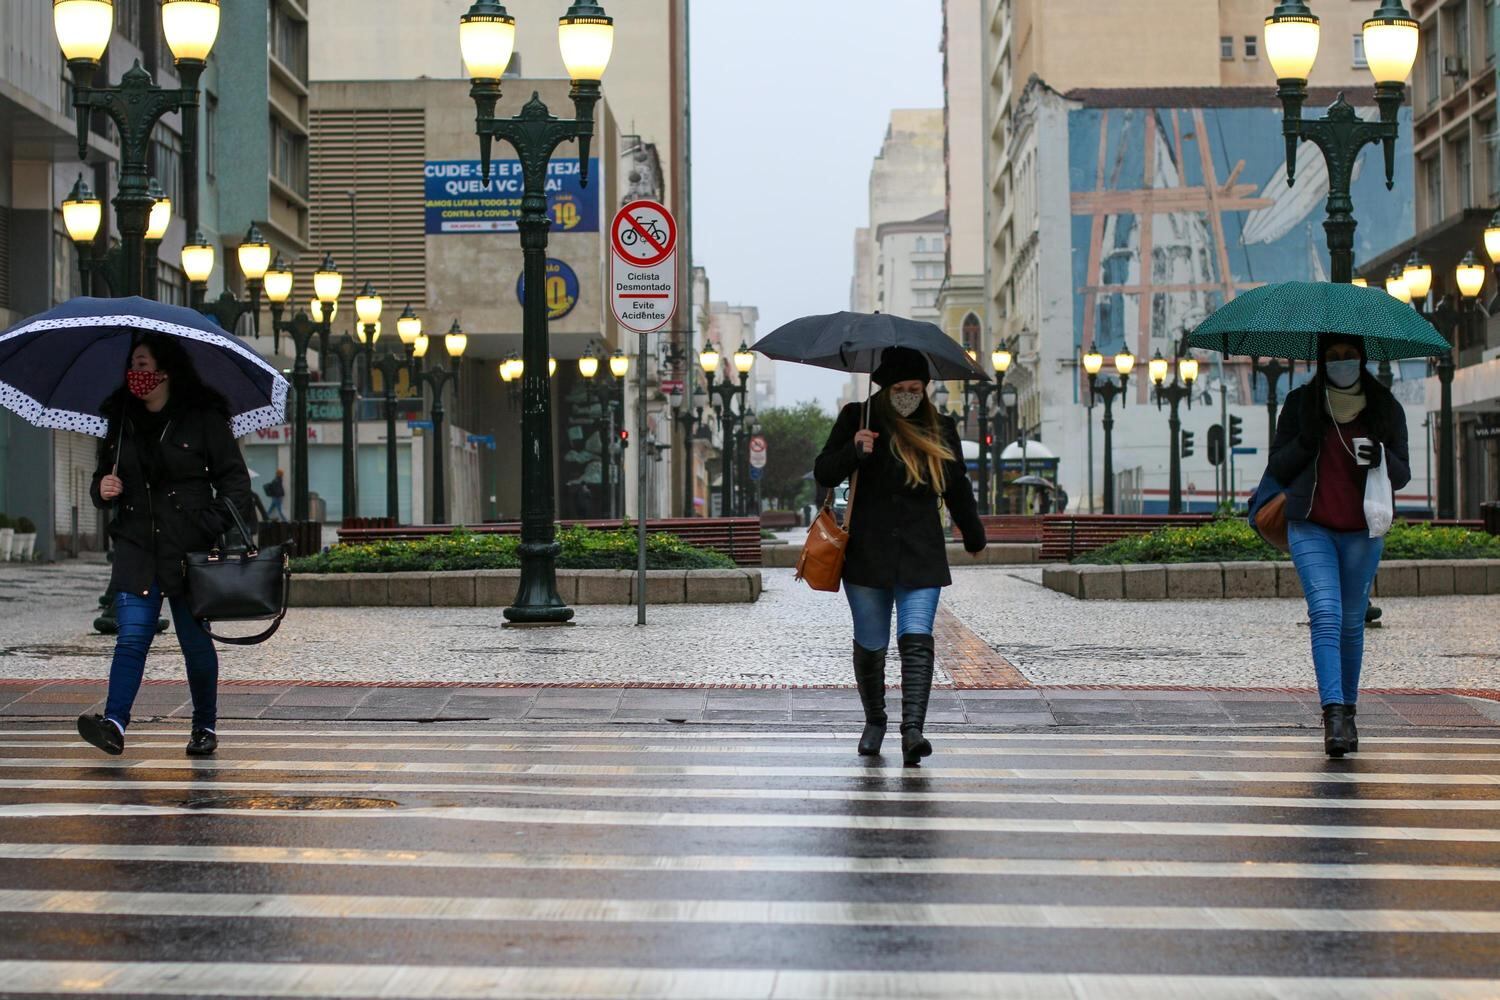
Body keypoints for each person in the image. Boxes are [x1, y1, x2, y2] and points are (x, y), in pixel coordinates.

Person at [77, 334, 255, 758]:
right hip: (137, 546)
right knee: (131, 636)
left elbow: (235, 483)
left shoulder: (202, 418)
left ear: (165, 369)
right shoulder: (121, 419)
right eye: (132, 365)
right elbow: (102, 479)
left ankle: (204, 727)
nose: (135, 374)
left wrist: (207, 524)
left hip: (188, 550)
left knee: (195, 641)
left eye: (143, 364)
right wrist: (103, 489)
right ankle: (114, 723)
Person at [815, 347, 987, 766]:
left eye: (916, 388)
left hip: (919, 552)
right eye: (901, 389)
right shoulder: (858, 418)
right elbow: (823, 472)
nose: (909, 395)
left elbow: (956, 486)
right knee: (872, 644)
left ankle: (913, 730)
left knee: (916, 639)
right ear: (884, 387)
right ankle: (875, 720)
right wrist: (855, 450)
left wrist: (973, 532)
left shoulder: (939, 427)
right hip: (867, 554)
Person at [1266, 334, 1408, 758]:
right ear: (1321, 360)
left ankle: (1349, 711)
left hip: (1363, 529)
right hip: (1311, 525)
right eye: (1333, 357)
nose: (1342, 363)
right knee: (1325, 613)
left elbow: (1401, 475)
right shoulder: (1301, 405)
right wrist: (1306, 441)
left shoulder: (1384, 407)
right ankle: (1332, 715)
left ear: (1361, 359)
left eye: (1349, 357)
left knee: (1350, 621)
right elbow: (1277, 467)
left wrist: (1380, 456)